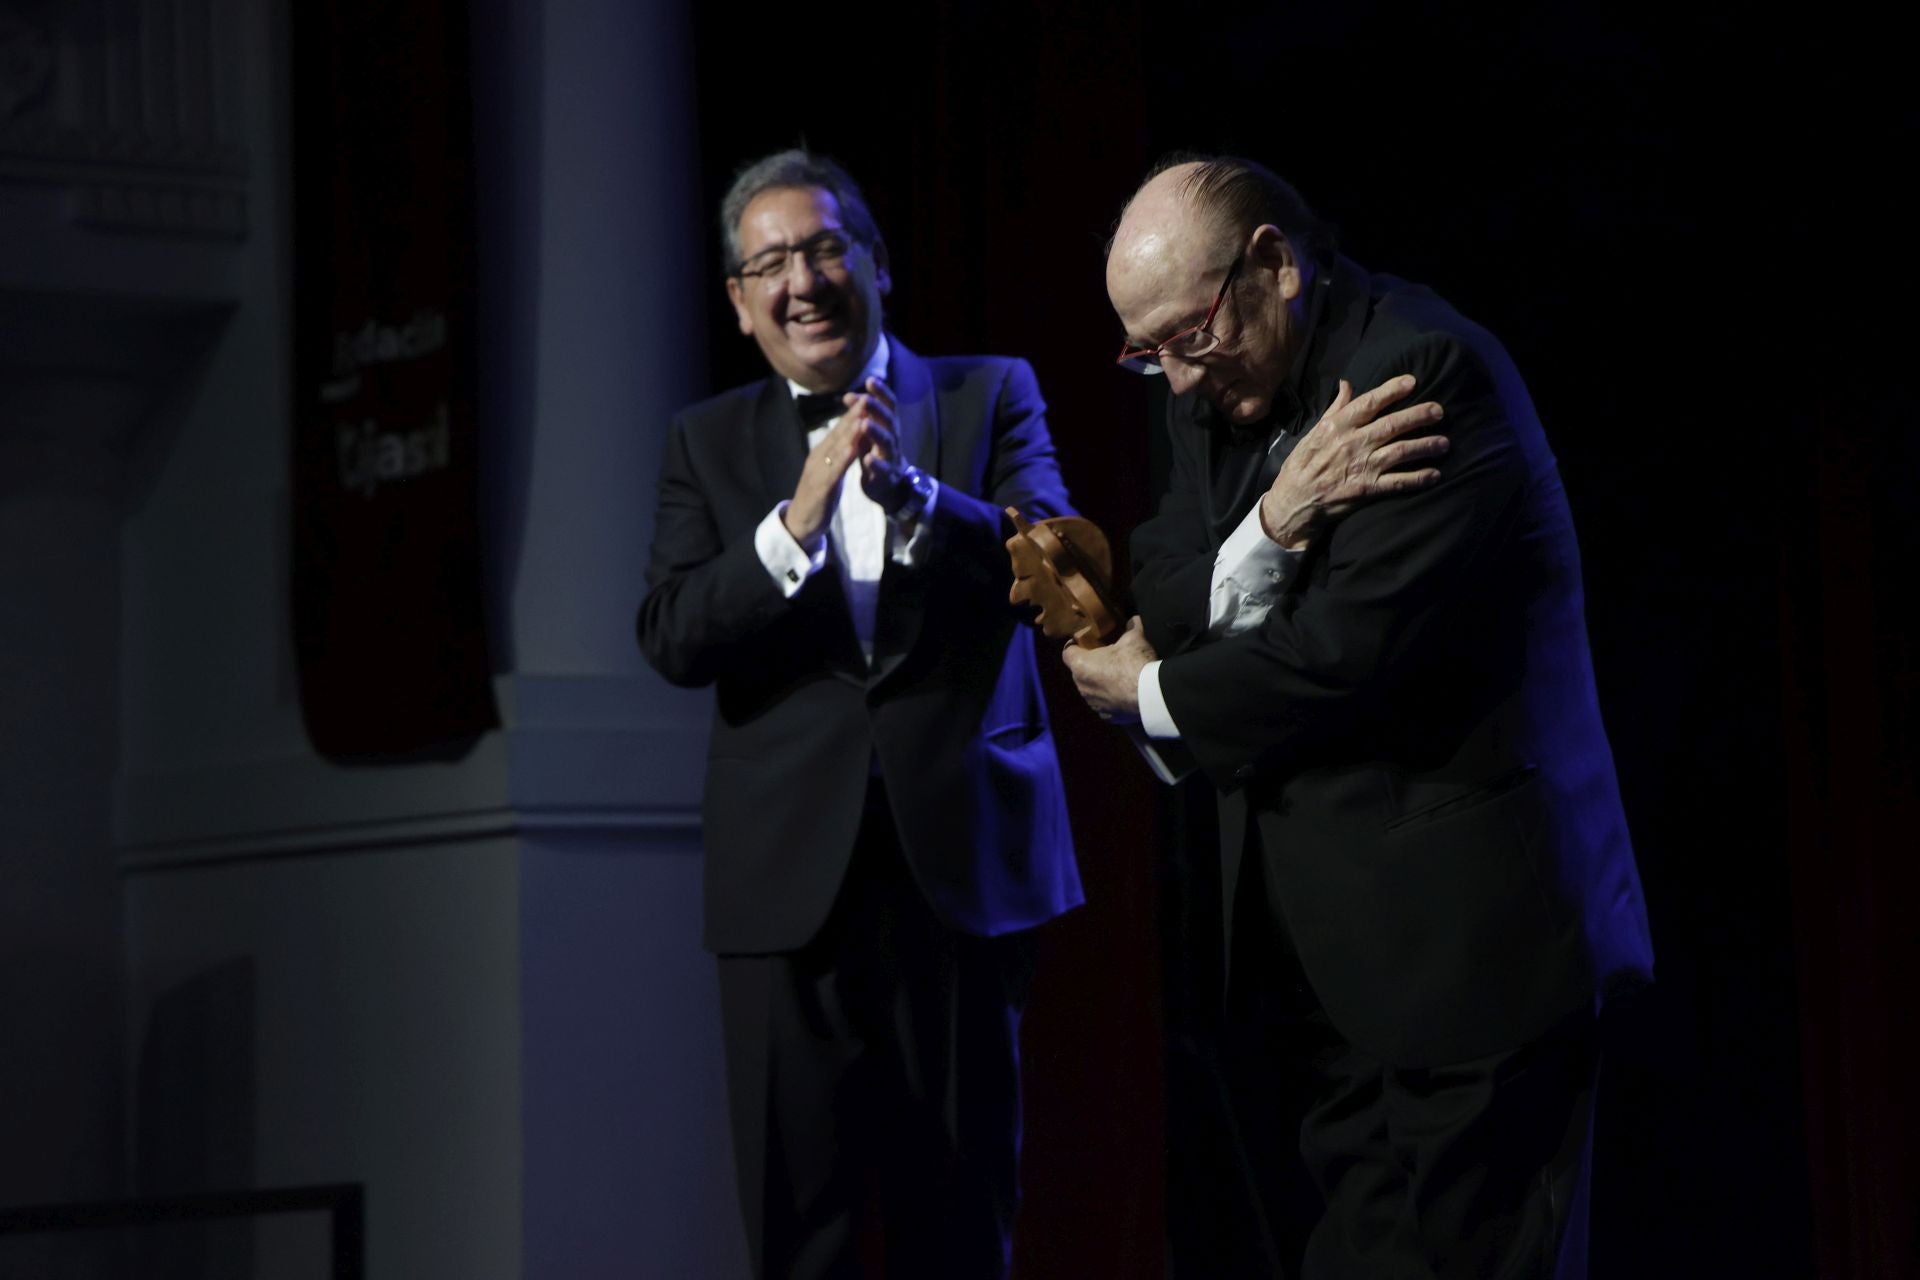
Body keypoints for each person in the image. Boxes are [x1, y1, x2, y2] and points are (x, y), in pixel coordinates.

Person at [1063, 154, 1654, 1279]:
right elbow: (1164, 575)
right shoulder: (1217, 385)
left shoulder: (1422, 377)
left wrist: (1145, 694)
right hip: (1334, 969)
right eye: (1147, 353)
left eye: (1185, 338)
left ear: (1272, 265)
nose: (1175, 381)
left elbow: (1336, 657)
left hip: (1475, 962)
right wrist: (1278, 524)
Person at [636, 149, 1081, 1279]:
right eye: (772, 261)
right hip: (785, 879)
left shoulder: (990, 391)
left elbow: (1065, 572)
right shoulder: (706, 441)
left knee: (964, 1213)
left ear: (877, 262)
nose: (804, 279)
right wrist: (797, 516)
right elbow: (673, 634)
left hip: (961, 862)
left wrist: (920, 499)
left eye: (825, 247)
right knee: (802, 1227)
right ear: (739, 304)